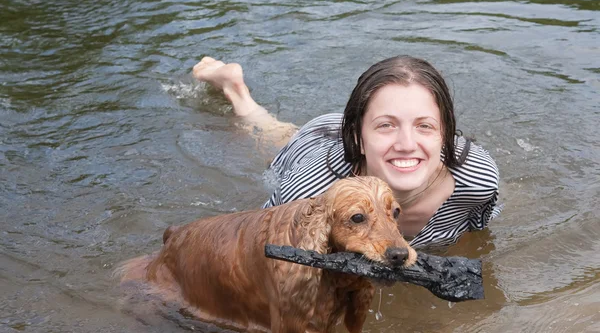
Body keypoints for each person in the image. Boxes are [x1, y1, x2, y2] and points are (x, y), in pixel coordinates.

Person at [193, 56, 501, 248]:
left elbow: (479, 238)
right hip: (318, 144)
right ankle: (237, 91)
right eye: (387, 126)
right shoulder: (311, 194)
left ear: (445, 134)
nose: (407, 143)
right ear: (359, 136)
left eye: (425, 126)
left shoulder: (476, 181)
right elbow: (257, 248)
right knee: (268, 138)